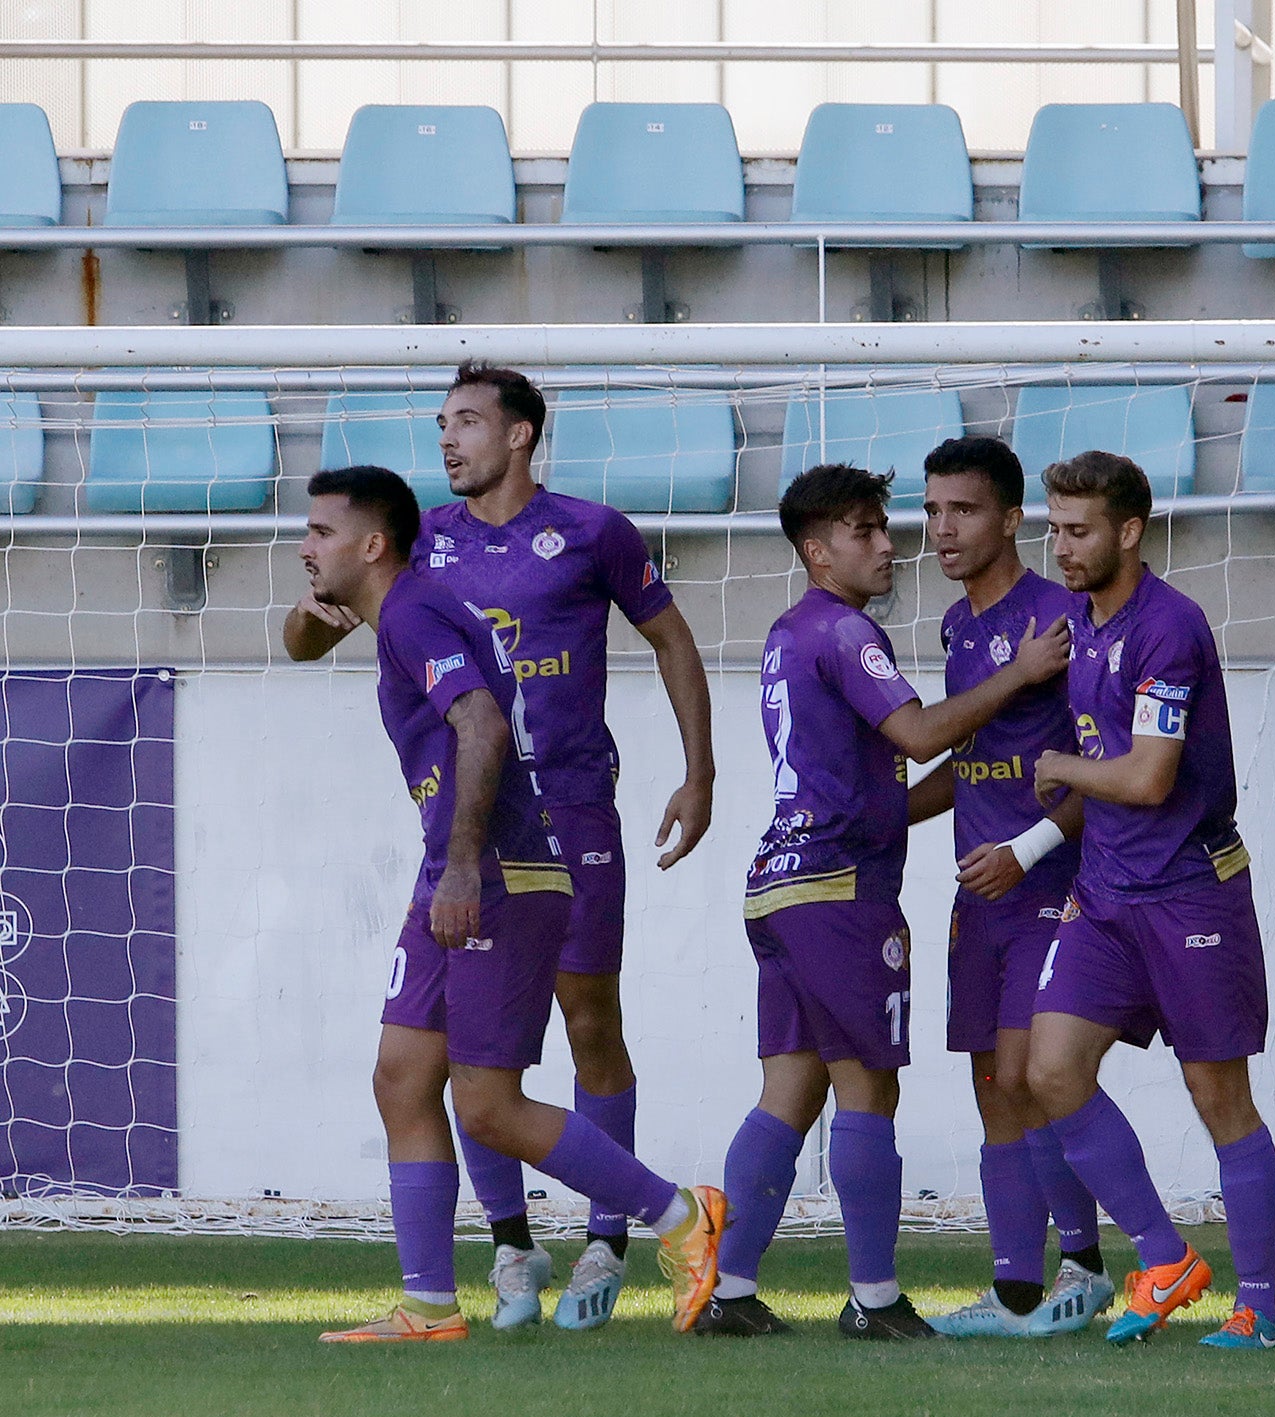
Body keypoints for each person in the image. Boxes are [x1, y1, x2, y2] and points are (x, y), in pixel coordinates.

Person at [284, 364, 714, 1332]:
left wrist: (469, 864)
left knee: (501, 1087)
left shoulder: (453, 588)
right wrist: (315, 604)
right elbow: (316, 644)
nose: (448, 439)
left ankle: (669, 1217)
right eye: (440, 424)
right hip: (464, 850)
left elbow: (481, 724)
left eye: (467, 421)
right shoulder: (419, 568)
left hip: (513, 848)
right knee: (404, 1073)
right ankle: (447, 1290)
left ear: (520, 435)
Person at [695, 463, 1071, 1340]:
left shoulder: (789, 633)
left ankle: (732, 1290)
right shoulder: (845, 631)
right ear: (816, 551)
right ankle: (875, 1301)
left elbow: (898, 768)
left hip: (776, 884)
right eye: (865, 530)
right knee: (869, 1094)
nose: (889, 542)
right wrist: (1014, 678)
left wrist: (972, 739)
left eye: (884, 526)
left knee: (786, 1092)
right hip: (840, 889)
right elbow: (918, 732)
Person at [1028, 449, 1275, 1350]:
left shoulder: (1169, 627)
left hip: (1189, 896)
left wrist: (1058, 768)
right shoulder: (1077, 622)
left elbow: (1144, 778)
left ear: (1128, 532)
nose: (1060, 546)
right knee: (1050, 1070)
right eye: (1053, 527)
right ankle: (1165, 1256)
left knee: (1220, 1097)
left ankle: (1258, 1306)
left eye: (1078, 530)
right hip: (1104, 897)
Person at [898, 437, 1113, 1340]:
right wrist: (889, 814)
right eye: (934, 510)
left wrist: (1027, 849)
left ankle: (1086, 1268)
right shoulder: (958, 628)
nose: (943, 529)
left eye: (966, 510)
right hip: (977, 893)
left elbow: (1095, 766)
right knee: (994, 1083)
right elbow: (979, 757)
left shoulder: (1061, 617)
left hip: (1052, 883)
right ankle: (1017, 1288)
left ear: (1013, 518)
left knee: (1036, 1076)